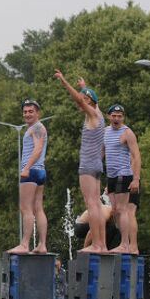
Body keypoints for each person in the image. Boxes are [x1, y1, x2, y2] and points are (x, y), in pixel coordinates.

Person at [55, 70, 106, 253]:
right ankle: (102, 244)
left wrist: (64, 82)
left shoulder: (92, 114)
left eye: (84, 99)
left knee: (91, 204)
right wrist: (85, 87)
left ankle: (98, 244)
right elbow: (87, 98)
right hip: (97, 165)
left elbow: (78, 99)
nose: (80, 102)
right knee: (97, 205)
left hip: (87, 165)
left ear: (89, 101)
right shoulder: (99, 114)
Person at [8, 99, 48, 254]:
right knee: (38, 208)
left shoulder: (37, 127)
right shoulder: (34, 128)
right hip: (40, 172)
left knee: (26, 208)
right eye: (25, 112)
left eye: (31, 111)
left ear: (37, 113)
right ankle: (42, 245)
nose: (27, 114)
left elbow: (37, 149)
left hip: (31, 172)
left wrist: (26, 168)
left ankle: (24, 244)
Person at [104, 104, 141, 254]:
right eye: (114, 115)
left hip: (124, 174)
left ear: (123, 117)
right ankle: (124, 242)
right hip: (111, 176)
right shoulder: (105, 132)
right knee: (115, 211)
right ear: (109, 117)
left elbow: (137, 156)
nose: (116, 118)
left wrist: (136, 179)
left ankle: (125, 244)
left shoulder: (127, 133)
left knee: (123, 209)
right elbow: (101, 152)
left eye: (119, 116)